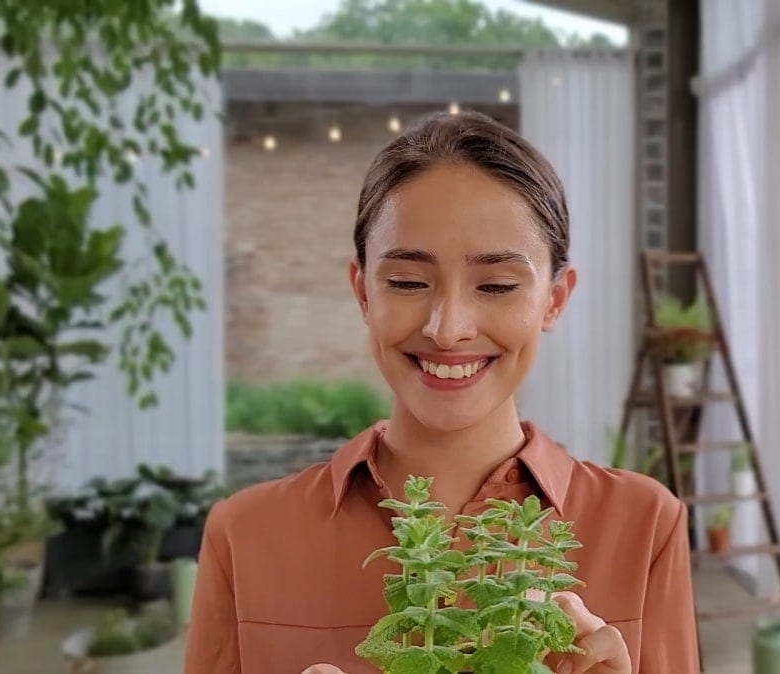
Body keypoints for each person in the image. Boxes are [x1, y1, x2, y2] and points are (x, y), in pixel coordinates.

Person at [185, 111, 700, 673]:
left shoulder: (645, 525)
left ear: (554, 299)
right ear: (363, 292)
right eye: (407, 282)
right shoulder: (245, 535)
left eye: (497, 286)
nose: (447, 327)